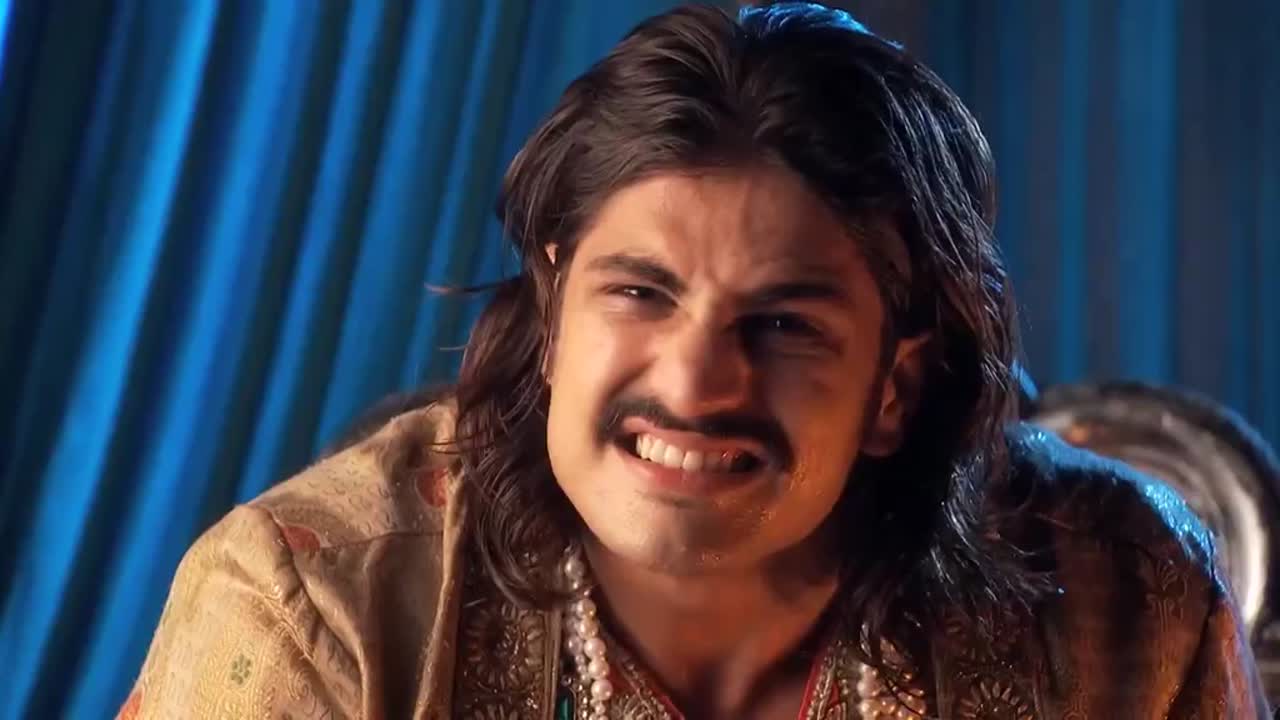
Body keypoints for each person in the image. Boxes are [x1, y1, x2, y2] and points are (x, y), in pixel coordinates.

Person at [119, 3, 1269, 718]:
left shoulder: (1125, 596)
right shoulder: (312, 607)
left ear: (893, 385)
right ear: (554, 310)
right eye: (639, 294)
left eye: (782, 326)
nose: (692, 385)